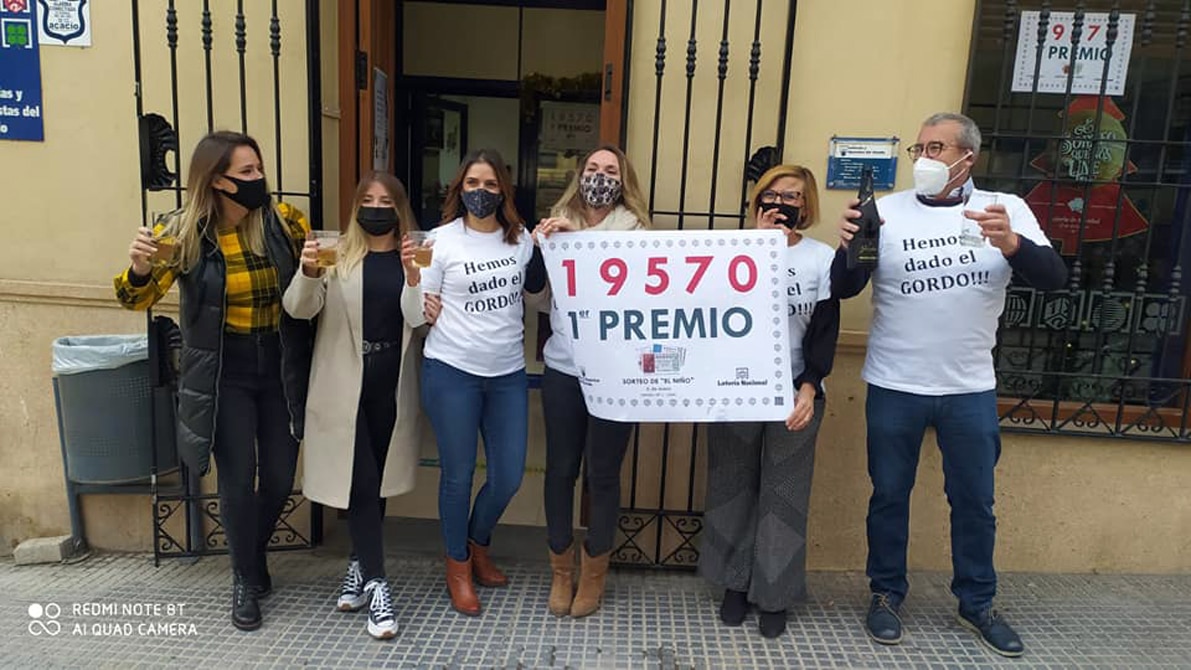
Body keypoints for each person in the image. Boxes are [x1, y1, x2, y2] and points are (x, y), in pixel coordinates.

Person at [833, 112, 1067, 657]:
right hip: (895, 382)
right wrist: (853, 243)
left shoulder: (1004, 210)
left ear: (968, 158)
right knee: (889, 495)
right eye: (919, 147)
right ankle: (886, 594)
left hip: (969, 387)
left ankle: (978, 603)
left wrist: (1012, 244)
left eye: (937, 148)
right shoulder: (884, 211)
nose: (924, 159)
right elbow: (844, 288)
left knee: (975, 501)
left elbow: (1054, 278)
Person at [114, 131, 313, 631]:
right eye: (245, 173)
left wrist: (316, 272)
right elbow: (135, 300)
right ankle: (245, 579)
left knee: (281, 477)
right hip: (225, 368)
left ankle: (251, 552)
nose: (257, 180)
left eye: (258, 169)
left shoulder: (284, 222)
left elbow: (312, 287)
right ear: (216, 181)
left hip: (280, 361)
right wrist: (139, 269)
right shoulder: (181, 232)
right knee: (237, 479)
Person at [282, 172, 426, 640]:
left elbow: (417, 318)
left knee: (375, 482)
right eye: (367, 198)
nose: (377, 207)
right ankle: (379, 587)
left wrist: (413, 278)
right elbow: (298, 309)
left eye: (386, 200)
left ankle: (357, 567)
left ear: (399, 208)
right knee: (362, 480)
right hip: (344, 388)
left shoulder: (414, 255)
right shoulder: (336, 253)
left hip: (391, 383)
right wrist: (306, 270)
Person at [698, 165, 840, 639]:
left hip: (795, 389)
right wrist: (756, 247)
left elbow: (825, 326)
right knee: (733, 485)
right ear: (758, 200)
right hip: (737, 387)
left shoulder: (822, 259)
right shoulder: (732, 250)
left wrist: (810, 385)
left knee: (785, 493)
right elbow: (713, 313)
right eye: (773, 194)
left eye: (793, 195)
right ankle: (734, 586)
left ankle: (774, 595)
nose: (782, 202)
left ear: (807, 204)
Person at [418, 149, 547, 616]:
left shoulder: (520, 240)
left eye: (491, 185)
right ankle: (458, 567)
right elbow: (419, 300)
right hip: (452, 371)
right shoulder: (441, 240)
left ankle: (478, 546)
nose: (481, 192)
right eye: (473, 182)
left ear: (504, 192)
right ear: (459, 188)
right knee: (456, 477)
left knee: (508, 475)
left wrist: (543, 254)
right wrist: (422, 308)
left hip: (507, 374)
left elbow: (537, 301)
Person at [531, 145, 651, 618]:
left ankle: (594, 573)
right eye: (593, 169)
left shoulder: (637, 233)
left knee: (602, 474)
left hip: (616, 373)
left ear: (624, 181)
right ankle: (561, 570)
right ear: (578, 175)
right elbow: (536, 296)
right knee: (560, 470)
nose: (600, 177)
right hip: (563, 367)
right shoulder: (555, 223)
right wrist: (546, 247)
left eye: (610, 171)